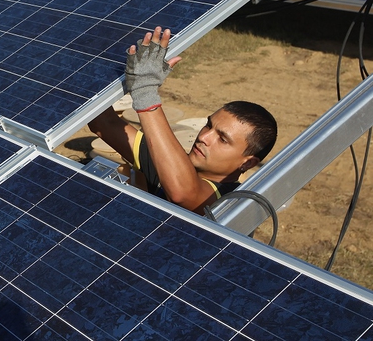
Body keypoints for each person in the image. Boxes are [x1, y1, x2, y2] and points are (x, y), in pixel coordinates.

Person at [88, 26, 278, 215]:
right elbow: (103, 123)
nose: (204, 136)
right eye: (208, 125)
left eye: (222, 139)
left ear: (248, 163)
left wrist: (144, 93)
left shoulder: (231, 202)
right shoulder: (169, 163)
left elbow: (183, 193)